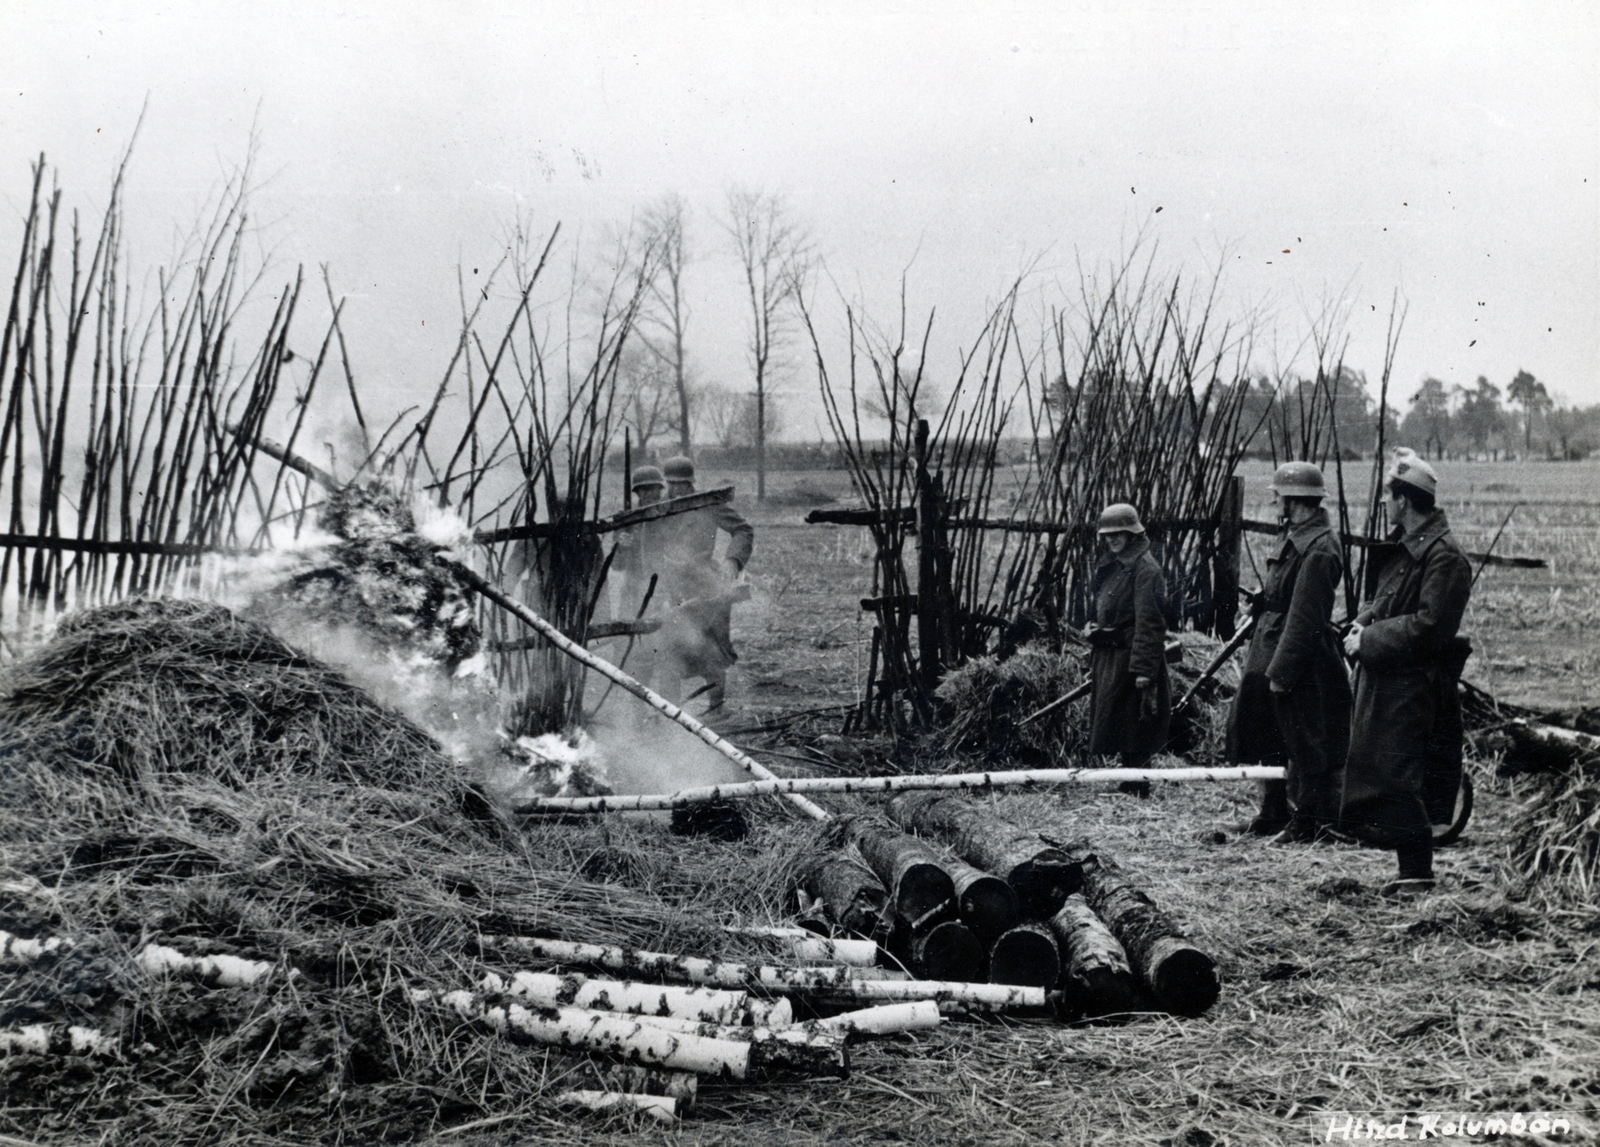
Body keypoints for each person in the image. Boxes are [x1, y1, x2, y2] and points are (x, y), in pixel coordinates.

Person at [1341, 449, 1472, 899]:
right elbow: (1389, 601)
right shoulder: (1409, 550)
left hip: (1416, 688)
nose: (1383, 503)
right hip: (1390, 684)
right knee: (1384, 773)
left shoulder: (1445, 558)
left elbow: (1430, 626)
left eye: (1388, 496)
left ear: (1405, 500)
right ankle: (1409, 872)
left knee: (1402, 777)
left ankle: (1416, 874)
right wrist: (1364, 620)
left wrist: (1370, 641)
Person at [1225, 462, 1353, 842]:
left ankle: (1307, 821)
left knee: (1304, 739)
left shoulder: (1320, 548)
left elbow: (1305, 618)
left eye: (1278, 494)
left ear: (1296, 499)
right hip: (1271, 646)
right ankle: (1273, 811)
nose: (1274, 499)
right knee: (1269, 732)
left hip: (1299, 659)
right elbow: (1284, 590)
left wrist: (1281, 673)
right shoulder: (1297, 534)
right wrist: (1261, 601)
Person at [622, 456, 754, 712]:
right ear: (667, 483)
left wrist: (732, 561)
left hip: (707, 585)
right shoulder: (659, 509)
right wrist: (656, 592)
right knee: (669, 650)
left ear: (692, 482)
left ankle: (717, 708)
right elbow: (649, 555)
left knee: (714, 648)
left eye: (684, 483)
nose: (679, 489)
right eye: (673, 484)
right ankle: (672, 713)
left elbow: (743, 530)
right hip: (671, 587)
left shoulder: (708, 504)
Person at [1086, 503, 1171, 781]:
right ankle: (1129, 777)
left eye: (1119, 533)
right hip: (1112, 654)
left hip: (1132, 656)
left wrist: (1145, 672)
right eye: (1108, 534)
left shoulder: (1146, 570)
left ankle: (1139, 782)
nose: (1112, 539)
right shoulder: (1115, 565)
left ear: (1133, 533)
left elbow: (1150, 624)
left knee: (1136, 722)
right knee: (1120, 720)